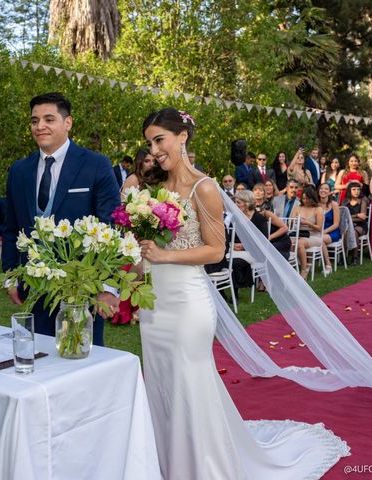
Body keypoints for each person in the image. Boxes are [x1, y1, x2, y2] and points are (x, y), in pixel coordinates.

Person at [137, 107, 348, 478]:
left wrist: (165, 254)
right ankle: (168, 464)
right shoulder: (156, 189)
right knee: (161, 384)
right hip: (156, 304)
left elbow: (216, 251)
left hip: (188, 305)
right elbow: (152, 243)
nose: (154, 150)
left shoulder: (204, 188)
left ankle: (204, 468)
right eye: (149, 143)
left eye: (159, 140)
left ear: (182, 137)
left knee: (190, 384)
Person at [2, 92, 120, 345]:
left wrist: (108, 288)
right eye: (34, 121)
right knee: (40, 361)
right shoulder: (19, 170)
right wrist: (11, 277)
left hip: (82, 288)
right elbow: (11, 229)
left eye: (48, 119)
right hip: (33, 289)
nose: (40, 126)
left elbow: (112, 228)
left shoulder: (96, 165)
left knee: (83, 364)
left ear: (68, 123)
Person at [291, 185, 326, 279]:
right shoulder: (298, 208)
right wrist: (295, 220)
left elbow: (319, 228)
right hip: (299, 233)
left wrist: (307, 223)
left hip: (314, 236)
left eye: (307, 199)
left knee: (300, 243)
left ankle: (304, 270)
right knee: (288, 242)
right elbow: (290, 221)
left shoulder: (318, 209)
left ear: (312, 198)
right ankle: (291, 268)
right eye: (303, 198)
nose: (305, 201)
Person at [343, 181, 369, 265]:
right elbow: (343, 218)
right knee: (343, 232)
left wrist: (349, 217)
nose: (356, 191)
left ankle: (354, 257)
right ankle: (343, 257)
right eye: (353, 189)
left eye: (358, 189)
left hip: (360, 226)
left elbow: (362, 219)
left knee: (353, 232)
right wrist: (357, 215)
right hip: (347, 225)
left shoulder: (362, 201)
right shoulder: (345, 202)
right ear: (349, 191)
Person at [318, 182, 340, 272]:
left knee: (320, 239)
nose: (323, 190)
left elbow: (336, 224)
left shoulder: (334, 204)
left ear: (330, 192)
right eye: (321, 188)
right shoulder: (315, 204)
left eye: (326, 189)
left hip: (332, 231)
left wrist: (324, 231)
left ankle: (328, 264)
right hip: (318, 230)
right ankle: (308, 263)